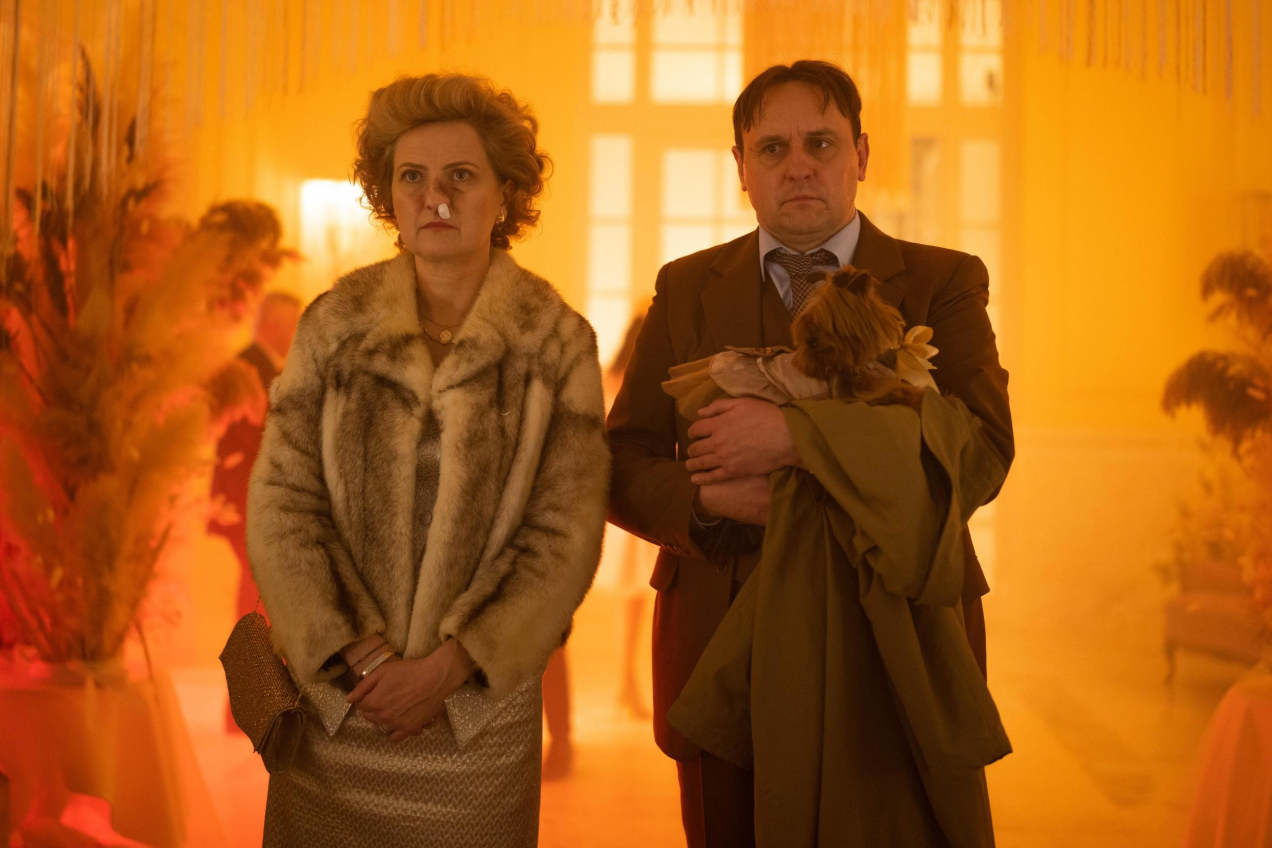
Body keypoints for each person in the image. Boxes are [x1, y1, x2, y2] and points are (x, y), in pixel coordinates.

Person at [607, 60, 1013, 848]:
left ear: (860, 154)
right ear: (741, 168)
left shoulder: (942, 281)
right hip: (723, 638)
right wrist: (707, 502)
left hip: (897, 634)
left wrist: (797, 438)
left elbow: (984, 450)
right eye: (773, 148)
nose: (798, 165)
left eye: (820, 143)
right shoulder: (686, 287)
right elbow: (621, 461)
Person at [246, 73, 609, 847]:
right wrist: (362, 656)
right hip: (338, 708)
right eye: (412, 177)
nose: (434, 197)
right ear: (389, 197)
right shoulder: (332, 326)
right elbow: (282, 503)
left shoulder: (556, 341)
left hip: (478, 719)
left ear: (505, 195)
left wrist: (448, 669)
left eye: (461, 176)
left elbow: (565, 533)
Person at [209, 291, 301, 733]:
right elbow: (254, 442)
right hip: (249, 509)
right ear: (275, 324)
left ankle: (248, 707)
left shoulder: (260, 368)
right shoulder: (249, 369)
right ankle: (245, 709)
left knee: (257, 605)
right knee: (253, 607)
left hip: (251, 509)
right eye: (293, 324)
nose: (296, 334)